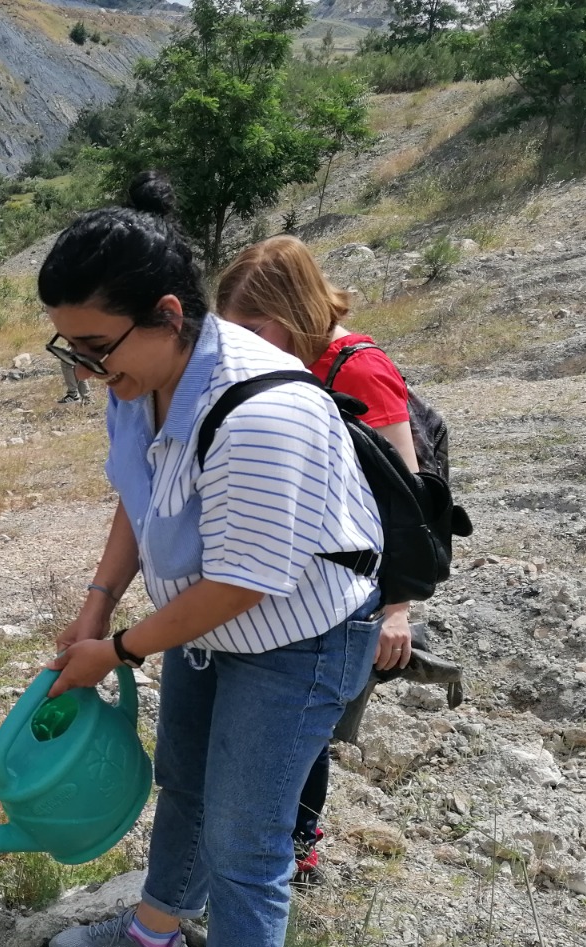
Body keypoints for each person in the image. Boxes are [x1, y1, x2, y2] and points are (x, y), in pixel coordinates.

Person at [39, 175, 383, 947]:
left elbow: (246, 580)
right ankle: (152, 929)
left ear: (169, 317)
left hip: (298, 637)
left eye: (96, 347)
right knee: (180, 780)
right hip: (202, 625)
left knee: (246, 847)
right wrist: (98, 606)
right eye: (71, 347)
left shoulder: (260, 410)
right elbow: (135, 500)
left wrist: (121, 651)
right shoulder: (137, 384)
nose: (86, 367)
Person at [214, 235, 419, 887]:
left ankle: (299, 843)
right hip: (291, 581)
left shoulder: (355, 369)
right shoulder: (278, 362)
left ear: (295, 309)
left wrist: (398, 610)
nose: (241, 342)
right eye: (231, 329)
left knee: (304, 725)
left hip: (350, 592)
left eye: (254, 326)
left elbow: (410, 499)